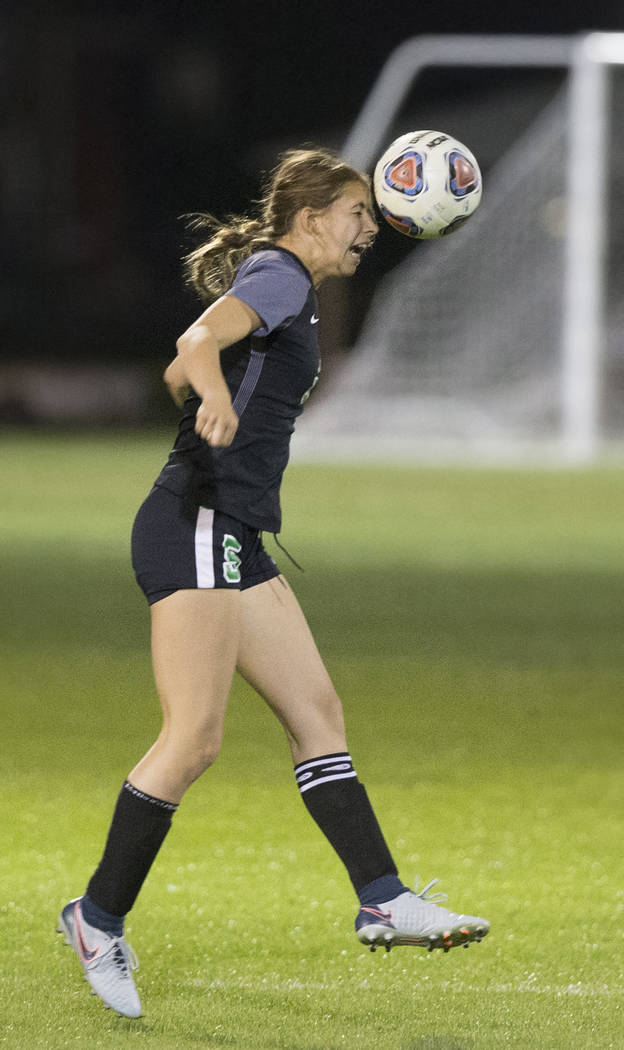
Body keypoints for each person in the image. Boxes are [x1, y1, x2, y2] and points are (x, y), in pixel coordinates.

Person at [57, 147, 489, 1018]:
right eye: (359, 212)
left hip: (231, 532)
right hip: (197, 523)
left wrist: (210, 388)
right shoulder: (283, 274)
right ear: (312, 215)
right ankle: (97, 920)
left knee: (317, 715)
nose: (371, 226)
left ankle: (383, 897)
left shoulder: (282, 283)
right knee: (194, 740)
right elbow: (193, 348)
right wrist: (215, 397)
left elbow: (184, 368)